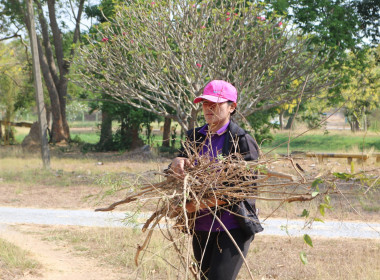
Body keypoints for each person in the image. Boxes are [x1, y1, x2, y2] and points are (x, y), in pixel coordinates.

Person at [170, 80, 263, 280]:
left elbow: (243, 189)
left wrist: (193, 206)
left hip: (232, 227)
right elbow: (175, 177)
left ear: (232, 107)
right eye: (205, 103)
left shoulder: (241, 139)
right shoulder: (194, 137)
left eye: (216, 103)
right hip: (201, 227)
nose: (208, 108)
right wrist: (175, 163)